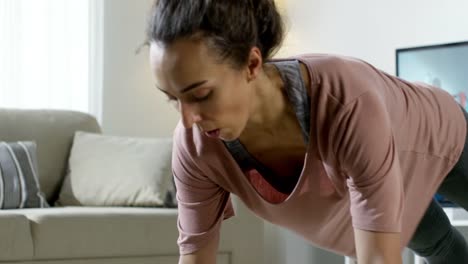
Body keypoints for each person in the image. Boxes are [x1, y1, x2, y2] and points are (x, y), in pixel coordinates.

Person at [145, 0, 468, 263]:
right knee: (441, 249)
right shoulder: (195, 148)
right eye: (173, 99)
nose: (188, 120)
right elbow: (195, 258)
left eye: (200, 95)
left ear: (252, 64)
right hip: (386, 170)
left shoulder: (345, 101)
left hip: (438, 136)